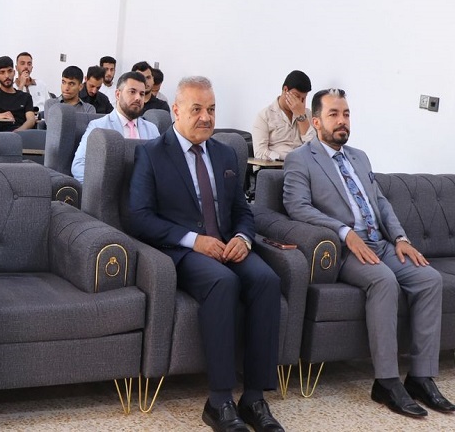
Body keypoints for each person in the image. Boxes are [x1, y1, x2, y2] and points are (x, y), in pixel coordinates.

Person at [283, 88, 453, 418]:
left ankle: (421, 377)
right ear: (316, 121)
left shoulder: (359, 157)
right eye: (334, 114)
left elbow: (381, 203)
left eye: (346, 114)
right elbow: (297, 207)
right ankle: (386, 382)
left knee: (430, 279)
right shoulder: (300, 159)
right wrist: (344, 233)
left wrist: (400, 238)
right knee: (384, 281)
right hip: (344, 250)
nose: (342, 121)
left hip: (380, 243)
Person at [128, 76, 283, 432]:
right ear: (176, 110)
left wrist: (243, 238)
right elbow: (139, 217)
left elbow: (242, 209)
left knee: (266, 280)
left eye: (211, 109)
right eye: (197, 109)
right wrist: (193, 241)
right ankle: (219, 401)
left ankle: (254, 398)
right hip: (183, 251)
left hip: (228, 244)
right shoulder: (151, 154)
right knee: (222, 282)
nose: (206, 117)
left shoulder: (225, 153)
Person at [70, 71, 159, 183]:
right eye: (132, 92)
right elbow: (79, 165)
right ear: (117, 94)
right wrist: (101, 188)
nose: (138, 98)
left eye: (142, 94)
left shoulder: (152, 129)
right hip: (110, 190)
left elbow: (160, 166)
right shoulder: (99, 126)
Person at [252, 70, 314, 160]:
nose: (299, 102)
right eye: (296, 96)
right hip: (275, 165)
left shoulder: (307, 115)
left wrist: (301, 117)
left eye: (303, 98)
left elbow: (314, 149)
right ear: (285, 90)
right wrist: (287, 158)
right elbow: (260, 153)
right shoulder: (264, 116)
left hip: (303, 166)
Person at [0, 56, 35, 132]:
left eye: (9, 71)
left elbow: (31, 120)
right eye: (2, 72)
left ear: (14, 72)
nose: (7, 76)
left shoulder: (25, 97)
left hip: (21, 134)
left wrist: (18, 131)